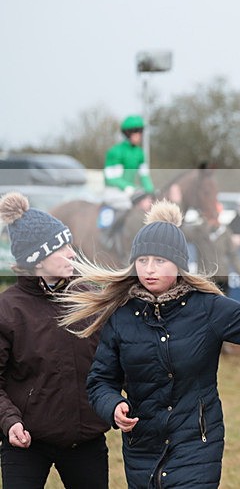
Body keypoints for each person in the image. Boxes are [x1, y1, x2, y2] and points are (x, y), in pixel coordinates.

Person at [58, 200, 240, 488]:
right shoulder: (122, 316)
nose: (149, 269)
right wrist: (113, 405)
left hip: (197, 447)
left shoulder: (209, 308)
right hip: (142, 450)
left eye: (159, 261)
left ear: (179, 264)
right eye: (142, 260)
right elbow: (100, 381)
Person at [0, 192, 110, 488]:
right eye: (61, 248)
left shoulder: (89, 298)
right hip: (26, 442)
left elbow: (114, 361)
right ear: (36, 259)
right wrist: (10, 422)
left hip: (86, 441)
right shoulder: (8, 310)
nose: (72, 253)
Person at [102, 115, 155, 212]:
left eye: (140, 131)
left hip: (130, 192)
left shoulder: (140, 153)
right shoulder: (115, 152)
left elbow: (144, 176)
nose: (139, 134)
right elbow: (113, 179)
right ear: (127, 133)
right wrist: (132, 188)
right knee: (133, 206)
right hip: (114, 192)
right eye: (136, 131)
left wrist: (151, 191)